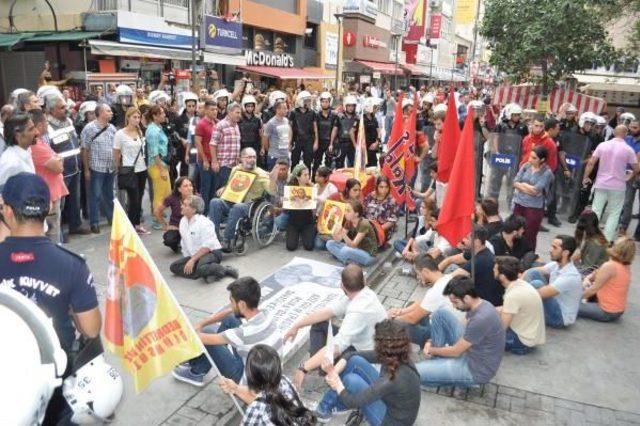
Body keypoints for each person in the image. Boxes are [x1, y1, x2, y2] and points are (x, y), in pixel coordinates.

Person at [0, 173, 101, 423]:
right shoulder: (72, 265)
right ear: (48, 211)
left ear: (8, 211)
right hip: (52, 376)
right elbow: (91, 329)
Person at [284, 264, 387, 389]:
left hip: (370, 362)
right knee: (320, 323)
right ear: (364, 281)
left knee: (335, 348)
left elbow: (334, 348)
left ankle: (323, 372)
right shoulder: (364, 294)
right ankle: (320, 369)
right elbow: (326, 312)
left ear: (341, 286)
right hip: (363, 345)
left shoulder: (358, 311)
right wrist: (297, 325)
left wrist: (303, 368)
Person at [173, 277, 282, 386]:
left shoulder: (243, 333)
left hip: (249, 382)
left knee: (208, 333)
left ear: (242, 305)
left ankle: (195, 372)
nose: (230, 305)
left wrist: (177, 330)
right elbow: (230, 312)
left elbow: (199, 337)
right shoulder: (266, 314)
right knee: (231, 319)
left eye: (232, 301)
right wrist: (202, 323)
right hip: (264, 371)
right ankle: (199, 364)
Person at [315, 320, 421, 425]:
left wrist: (337, 382)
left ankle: (330, 407)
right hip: (392, 403)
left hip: (391, 422)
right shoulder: (397, 355)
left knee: (351, 380)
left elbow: (352, 401)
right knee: (355, 360)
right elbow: (353, 354)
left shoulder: (391, 379)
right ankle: (326, 407)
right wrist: (336, 369)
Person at [417, 277, 505, 387]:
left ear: (467, 298)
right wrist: (430, 341)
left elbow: (456, 351)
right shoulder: (482, 304)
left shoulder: (481, 319)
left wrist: (431, 349)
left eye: (455, 302)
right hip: (470, 351)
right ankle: (437, 362)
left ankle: (437, 364)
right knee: (440, 314)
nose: (454, 306)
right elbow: (463, 327)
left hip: (475, 370)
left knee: (415, 372)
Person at [219, 344, 315, 426]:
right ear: (278, 368)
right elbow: (263, 397)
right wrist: (235, 388)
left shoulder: (256, 408)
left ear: (250, 375)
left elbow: (260, 402)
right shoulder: (285, 381)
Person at [388, 254, 462, 347]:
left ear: (425, 271)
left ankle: (426, 343)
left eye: (418, 274)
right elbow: (423, 302)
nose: (418, 277)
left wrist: (392, 318)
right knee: (413, 305)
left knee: (398, 325)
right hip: (453, 327)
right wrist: (401, 311)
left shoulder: (436, 291)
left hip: (446, 338)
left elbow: (412, 318)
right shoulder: (447, 278)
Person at [209, 147, 273, 252]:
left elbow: (271, 191)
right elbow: (231, 185)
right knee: (214, 202)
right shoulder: (236, 169)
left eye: (254, 157)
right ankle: (214, 237)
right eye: (248, 157)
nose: (252, 159)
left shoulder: (261, 173)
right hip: (232, 200)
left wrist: (273, 179)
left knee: (237, 207)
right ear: (241, 159)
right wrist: (224, 187)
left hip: (250, 205)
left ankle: (227, 240)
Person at [583, 125, 639, 242]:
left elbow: (591, 163)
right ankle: (607, 239)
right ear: (625, 134)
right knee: (614, 213)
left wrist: (585, 176)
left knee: (596, 210)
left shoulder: (603, 145)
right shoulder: (628, 149)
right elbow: (637, 167)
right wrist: (630, 176)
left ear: (614, 132)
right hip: (618, 185)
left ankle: (591, 235)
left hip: (601, 183)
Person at [44, 92, 89, 237]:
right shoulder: (48, 127)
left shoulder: (69, 121)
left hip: (75, 168)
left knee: (75, 200)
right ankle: (60, 233)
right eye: (61, 108)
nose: (66, 109)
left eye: (65, 106)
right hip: (61, 172)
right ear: (51, 110)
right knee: (61, 204)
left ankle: (75, 226)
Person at [169, 195, 238, 282]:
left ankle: (224, 270)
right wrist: (190, 259)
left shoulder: (205, 223)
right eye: (182, 204)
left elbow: (207, 246)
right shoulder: (183, 221)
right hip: (195, 255)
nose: (181, 206)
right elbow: (184, 243)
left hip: (211, 252)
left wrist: (192, 260)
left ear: (194, 210)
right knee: (174, 267)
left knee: (201, 268)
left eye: (185, 205)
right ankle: (207, 273)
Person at [524, 235, 582, 328]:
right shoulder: (556, 264)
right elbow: (529, 272)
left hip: (559, 318)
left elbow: (540, 293)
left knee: (537, 284)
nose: (550, 250)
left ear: (565, 253)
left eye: (554, 248)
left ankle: (520, 309)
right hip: (554, 303)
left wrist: (516, 291)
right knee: (533, 273)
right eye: (551, 246)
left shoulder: (570, 276)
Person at [438, 226, 503, 306]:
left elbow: (449, 279)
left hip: (486, 305)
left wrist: (432, 276)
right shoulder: (479, 251)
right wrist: (438, 270)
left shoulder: (480, 260)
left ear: (477, 241)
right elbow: (450, 260)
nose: (462, 240)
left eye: (466, 238)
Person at [29, 109, 68, 243]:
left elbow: (57, 159)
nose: (47, 124)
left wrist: (57, 159)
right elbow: (58, 166)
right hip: (48, 196)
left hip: (54, 193)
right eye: (45, 121)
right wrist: (57, 159)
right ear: (39, 125)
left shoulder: (40, 142)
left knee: (56, 230)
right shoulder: (35, 146)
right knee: (53, 234)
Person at [494, 256, 545, 355]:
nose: (492, 270)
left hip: (522, 342)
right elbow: (507, 309)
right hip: (532, 336)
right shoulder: (520, 284)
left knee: (482, 336)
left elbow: (502, 327)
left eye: (495, 269)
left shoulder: (513, 295)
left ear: (502, 276)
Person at [80, 103, 117, 233]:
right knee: (95, 195)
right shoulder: (89, 128)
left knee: (109, 194)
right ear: (100, 113)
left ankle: (111, 218)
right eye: (108, 111)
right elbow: (85, 149)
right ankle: (94, 223)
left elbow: (115, 147)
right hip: (96, 168)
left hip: (110, 167)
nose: (111, 113)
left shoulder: (112, 128)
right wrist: (86, 170)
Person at [579, 237, 634, 322]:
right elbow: (596, 273)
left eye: (614, 244)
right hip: (618, 310)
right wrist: (588, 278)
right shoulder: (626, 266)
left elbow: (593, 290)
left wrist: (574, 298)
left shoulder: (610, 266)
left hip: (606, 311)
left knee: (568, 304)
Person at [113, 107, 148, 234]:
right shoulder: (120, 134)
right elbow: (116, 152)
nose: (137, 120)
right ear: (128, 118)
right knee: (134, 199)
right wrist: (117, 168)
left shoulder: (140, 132)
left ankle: (137, 225)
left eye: (138, 117)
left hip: (142, 168)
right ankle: (131, 226)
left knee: (140, 198)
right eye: (134, 117)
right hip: (129, 169)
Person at [512, 146, 554, 251]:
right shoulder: (525, 166)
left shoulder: (547, 173)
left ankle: (528, 256)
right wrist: (527, 188)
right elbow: (515, 182)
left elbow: (536, 191)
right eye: (530, 156)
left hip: (534, 208)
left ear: (542, 160)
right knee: (514, 231)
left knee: (529, 235)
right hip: (519, 203)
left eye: (534, 158)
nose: (530, 159)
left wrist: (522, 185)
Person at [327, 200, 378, 267]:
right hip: (355, 250)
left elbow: (353, 245)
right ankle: (349, 261)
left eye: (348, 211)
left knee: (345, 250)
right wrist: (334, 230)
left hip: (369, 255)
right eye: (345, 210)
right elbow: (338, 239)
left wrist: (342, 232)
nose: (345, 213)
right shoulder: (349, 222)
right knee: (330, 243)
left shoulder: (364, 224)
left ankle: (347, 260)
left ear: (356, 214)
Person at [155, 176, 194, 252]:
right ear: (179, 189)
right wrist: (164, 225)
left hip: (191, 228)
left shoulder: (196, 198)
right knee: (169, 240)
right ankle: (178, 242)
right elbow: (157, 211)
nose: (189, 188)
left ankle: (187, 242)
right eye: (185, 186)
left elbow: (200, 217)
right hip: (176, 226)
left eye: (190, 185)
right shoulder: (172, 198)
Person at [210, 102, 242, 193]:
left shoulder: (236, 126)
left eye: (240, 113)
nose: (239, 115)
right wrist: (214, 161)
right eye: (237, 113)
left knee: (232, 191)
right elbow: (213, 144)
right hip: (224, 165)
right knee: (222, 191)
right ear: (229, 112)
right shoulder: (220, 125)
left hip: (235, 166)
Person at [0, 113, 37, 188]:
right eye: (31, 129)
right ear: (17, 135)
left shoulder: (26, 152)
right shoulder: (11, 163)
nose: (36, 132)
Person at [284, 164, 316, 251]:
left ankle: (304, 234)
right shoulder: (290, 188)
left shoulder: (311, 187)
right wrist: (285, 200)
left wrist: (314, 194)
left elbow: (314, 207)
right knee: (290, 247)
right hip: (293, 222)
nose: (308, 177)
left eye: (308, 174)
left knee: (309, 246)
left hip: (307, 222)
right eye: (305, 175)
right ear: (298, 177)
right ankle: (295, 234)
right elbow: (286, 207)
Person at [194, 100, 218, 210]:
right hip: (205, 160)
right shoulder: (201, 124)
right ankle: (204, 212)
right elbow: (198, 143)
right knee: (205, 188)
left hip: (214, 160)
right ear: (206, 110)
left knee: (214, 188)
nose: (215, 111)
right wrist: (204, 160)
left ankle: (211, 212)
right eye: (212, 109)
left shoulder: (216, 122)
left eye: (216, 109)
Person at [573, 211, 609, 276]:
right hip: (591, 271)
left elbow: (586, 269)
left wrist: (574, 261)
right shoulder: (593, 236)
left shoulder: (595, 243)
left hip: (592, 275)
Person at [363, 176, 398, 242]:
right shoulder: (370, 196)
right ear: (377, 187)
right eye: (381, 187)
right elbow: (363, 211)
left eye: (386, 187)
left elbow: (391, 221)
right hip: (367, 226)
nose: (384, 190)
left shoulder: (392, 201)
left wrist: (377, 230)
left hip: (382, 229)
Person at [289, 91, 317, 171]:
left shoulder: (312, 113)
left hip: (308, 140)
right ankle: (293, 180)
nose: (309, 102)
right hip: (296, 140)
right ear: (301, 101)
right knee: (294, 161)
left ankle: (307, 180)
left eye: (309, 100)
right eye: (307, 100)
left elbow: (315, 128)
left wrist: (316, 142)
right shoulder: (293, 113)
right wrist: (289, 142)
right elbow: (290, 128)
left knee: (308, 162)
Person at [261, 100, 291, 171]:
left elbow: (289, 131)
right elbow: (265, 139)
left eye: (286, 108)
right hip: (274, 156)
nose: (286, 110)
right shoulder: (271, 123)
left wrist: (289, 143)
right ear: (277, 109)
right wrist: (270, 150)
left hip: (285, 155)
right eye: (284, 108)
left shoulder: (286, 120)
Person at [313, 92, 338, 178]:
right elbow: (315, 129)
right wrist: (315, 142)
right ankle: (314, 179)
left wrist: (331, 143)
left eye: (326, 101)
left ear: (330, 102)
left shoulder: (334, 115)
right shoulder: (316, 115)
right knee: (316, 162)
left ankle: (328, 180)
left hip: (329, 142)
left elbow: (335, 129)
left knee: (329, 164)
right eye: (323, 101)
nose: (325, 103)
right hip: (319, 142)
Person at [333, 96, 358, 168]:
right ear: (345, 106)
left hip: (352, 145)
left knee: (353, 164)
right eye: (349, 105)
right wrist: (331, 143)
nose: (351, 107)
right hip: (341, 143)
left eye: (352, 106)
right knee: (339, 164)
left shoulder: (357, 118)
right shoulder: (339, 116)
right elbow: (335, 130)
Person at [238, 95, 263, 163]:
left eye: (252, 106)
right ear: (244, 106)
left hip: (255, 146)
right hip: (242, 146)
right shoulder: (239, 119)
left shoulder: (257, 119)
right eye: (248, 106)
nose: (250, 108)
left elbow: (261, 134)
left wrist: (262, 147)